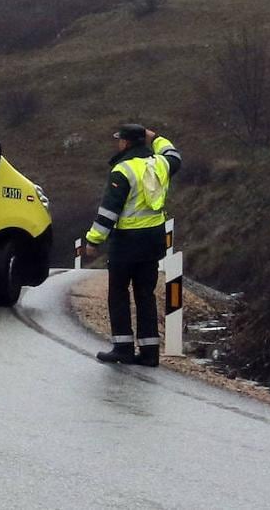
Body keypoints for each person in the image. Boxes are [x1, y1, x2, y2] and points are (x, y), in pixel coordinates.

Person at [82, 124, 182, 367]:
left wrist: (93, 240)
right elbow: (174, 155)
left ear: (125, 143)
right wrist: (156, 137)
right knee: (144, 294)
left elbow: (109, 211)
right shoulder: (160, 163)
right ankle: (149, 353)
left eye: (120, 140)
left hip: (127, 242)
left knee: (118, 293)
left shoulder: (123, 170)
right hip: (154, 240)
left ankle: (123, 347)